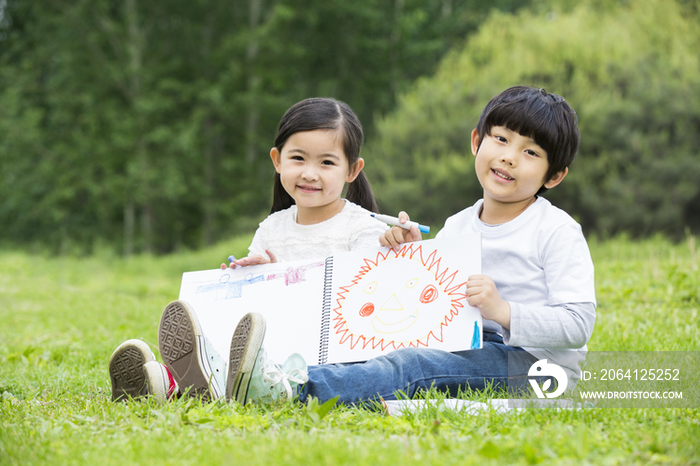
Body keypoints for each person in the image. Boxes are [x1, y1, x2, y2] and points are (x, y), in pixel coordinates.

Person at [226, 86, 597, 406]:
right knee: (385, 348)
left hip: (536, 367)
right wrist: (411, 257)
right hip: (470, 345)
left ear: (555, 175)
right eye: (500, 139)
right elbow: (436, 306)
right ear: (476, 142)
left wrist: (504, 311)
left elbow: (578, 324)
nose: (509, 156)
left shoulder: (556, 230)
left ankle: (294, 390)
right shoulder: (459, 225)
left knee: (414, 367)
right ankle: (256, 373)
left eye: (531, 153)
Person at [108, 97, 388, 402]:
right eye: (298, 158)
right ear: (277, 160)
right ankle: (165, 381)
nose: (309, 173)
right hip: (271, 345)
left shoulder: (365, 229)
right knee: (236, 351)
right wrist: (245, 279)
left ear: (352, 169)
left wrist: (286, 277)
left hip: (326, 357)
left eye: (327, 162)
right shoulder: (271, 228)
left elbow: (362, 303)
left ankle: (186, 383)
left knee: (249, 368)